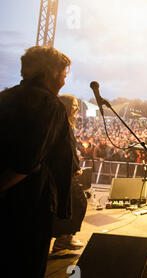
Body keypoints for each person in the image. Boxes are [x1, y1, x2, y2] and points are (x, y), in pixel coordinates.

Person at [0, 46, 73, 278]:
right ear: (51, 73)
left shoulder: (5, 97)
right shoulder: (50, 105)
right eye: (63, 74)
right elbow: (26, 162)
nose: (64, 80)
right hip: (29, 205)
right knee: (23, 276)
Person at [51, 95, 87, 254]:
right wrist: (75, 167)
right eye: (74, 105)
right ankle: (64, 238)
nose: (77, 108)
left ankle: (62, 240)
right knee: (78, 203)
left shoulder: (62, 123)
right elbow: (66, 149)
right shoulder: (62, 124)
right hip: (64, 171)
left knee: (71, 204)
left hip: (63, 170)